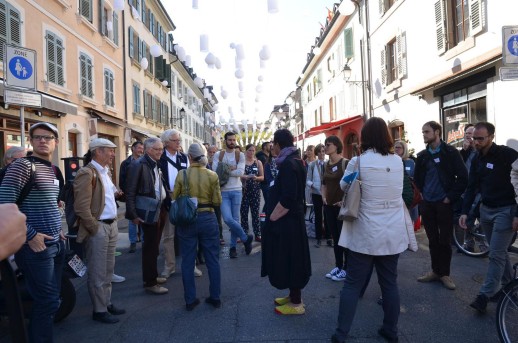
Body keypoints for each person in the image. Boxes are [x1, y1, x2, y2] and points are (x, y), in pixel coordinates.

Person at [331, 117, 410, 343]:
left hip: (365, 230)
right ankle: (391, 330)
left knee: (353, 284)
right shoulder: (397, 161)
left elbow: (344, 186)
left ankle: (341, 333)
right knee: (389, 283)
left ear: (365, 137)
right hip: (392, 231)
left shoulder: (359, 162)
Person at [0, 122, 65, 342]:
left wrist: (59, 228)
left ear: (56, 142)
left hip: (56, 244)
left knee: (52, 300)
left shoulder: (54, 169)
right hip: (35, 248)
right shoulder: (22, 166)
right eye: (37, 137)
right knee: (47, 302)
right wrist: (31, 235)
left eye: (48, 137)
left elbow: (50, 203)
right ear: (31, 141)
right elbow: (4, 205)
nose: (43, 140)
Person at [459, 122, 518, 313]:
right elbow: (471, 187)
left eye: (480, 139)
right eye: (474, 138)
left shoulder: (507, 154)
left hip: (506, 211)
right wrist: (465, 212)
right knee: (498, 251)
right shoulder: (476, 159)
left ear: (491, 136)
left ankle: (484, 295)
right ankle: (511, 287)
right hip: (486, 211)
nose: (476, 142)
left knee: (495, 254)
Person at [74, 138, 126, 324]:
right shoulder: (87, 173)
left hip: (111, 225)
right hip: (99, 227)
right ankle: (99, 310)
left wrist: (116, 193)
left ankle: (106, 302)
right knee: (97, 271)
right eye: (110, 151)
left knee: (108, 269)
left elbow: (108, 194)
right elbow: (81, 207)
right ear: (98, 152)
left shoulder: (105, 171)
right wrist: (94, 227)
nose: (113, 154)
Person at [261, 129, 311, 315]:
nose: (272, 146)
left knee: (293, 259)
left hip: (289, 222)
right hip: (291, 221)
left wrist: (273, 217)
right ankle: (293, 296)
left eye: (274, 142)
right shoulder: (293, 160)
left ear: (279, 144)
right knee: (291, 258)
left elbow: (289, 197)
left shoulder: (290, 164)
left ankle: (296, 303)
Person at [414, 121, 468, 290]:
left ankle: (444, 274)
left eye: (427, 132)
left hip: (444, 204)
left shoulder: (450, 152)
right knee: (432, 240)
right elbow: (417, 179)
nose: (424, 134)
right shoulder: (422, 155)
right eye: (423, 132)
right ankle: (435, 271)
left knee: (444, 240)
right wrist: (422, 194)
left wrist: (449, 197)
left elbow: (463, 177)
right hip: (427, 204)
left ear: (437, 132)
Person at [172, 143, 222, 311]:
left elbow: (175, 197)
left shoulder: (182, 174)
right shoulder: (212, 175)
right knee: (212, 260)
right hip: (208, 217)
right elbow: (217, 202)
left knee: (187, 261)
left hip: (188, 219)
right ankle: (215, 297)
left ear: (190, 157)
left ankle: (190, 300)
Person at [126, 137, 169, 295]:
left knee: (154, 246)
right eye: (157, 149)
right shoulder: (138, 165)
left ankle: (153, 276)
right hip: (148, 211)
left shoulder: (154, 163)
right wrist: (133, 215)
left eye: (161, 149)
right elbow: (130, 191)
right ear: (148, 150)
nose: (160, 152)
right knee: (150, 247)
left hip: (159, 208)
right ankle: (150, 282)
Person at [158, 129, 198, 279]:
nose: (179, 143)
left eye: (179, 140)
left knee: (188, 235)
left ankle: (191, 266)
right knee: (168, 236)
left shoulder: (184, 157)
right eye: (176, 141)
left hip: (183, 199)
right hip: (167, 200)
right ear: (167, 142)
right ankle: (169, 266)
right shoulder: (160, 158)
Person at [211, 132, 253, 259]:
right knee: (228, 219)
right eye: (229, 140)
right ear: (225, 141)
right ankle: (245, 238)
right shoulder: (219, 154)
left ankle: (233, 248)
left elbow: (240, 172)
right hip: (223, 190)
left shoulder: (239, 155)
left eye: (234, 140)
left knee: (235, 219)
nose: (232, 142)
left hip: (236, 190)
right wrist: (231, 168)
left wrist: (224, 168)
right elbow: (215, 172)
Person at [322, 135, 349, 281]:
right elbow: (324, 184)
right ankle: (338, 266)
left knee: (344, 238)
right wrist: (323, 196)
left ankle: (347, 268)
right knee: (335, 237)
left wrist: (344, 200)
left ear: (337, 146)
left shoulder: (346, 163)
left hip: (342, 206)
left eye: (328, 144)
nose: (325, 147)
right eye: (325, 145)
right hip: (329, 206)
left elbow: (352, 185)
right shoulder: (325, 165)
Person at [119, 141, 144, 253]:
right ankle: (133, 242)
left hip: (142, 195)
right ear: (133, 148)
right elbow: (122, 180)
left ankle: (144, 241)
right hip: (130, 195)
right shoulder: (125, 163)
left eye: (142, 148)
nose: (141, 150)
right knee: (132, 219)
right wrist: (127, 192)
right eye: (139, 148)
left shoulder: (144, 162)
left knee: (143, 218)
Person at [306, 144, 330, 247]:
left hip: (327, 194)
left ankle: (329, 238)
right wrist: (315, 186)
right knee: (318, 216)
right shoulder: (312, 165)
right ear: (317, 153)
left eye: (323, 151)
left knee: (328, 215)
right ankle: (318, 238)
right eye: (320, 152)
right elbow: (307, 180)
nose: (322, 153)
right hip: (316, 194)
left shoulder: (328, 164)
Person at [240, 144, 264, 241]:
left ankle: (257, 234)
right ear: (246, 151)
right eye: (249, 150)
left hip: (255, 191)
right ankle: (244, 234)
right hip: (244, 191)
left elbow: (262, 177)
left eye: (253, 150)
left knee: (255, 213)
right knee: (244, 213)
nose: (251, 152)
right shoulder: (242, 162)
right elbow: (239, 175)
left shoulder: (258, 162)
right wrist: (244, 177)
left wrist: (256, 178)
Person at [394, 140, 418, 223]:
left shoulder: (410, 162)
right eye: (395, 147)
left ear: (404, 149)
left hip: (409, 192)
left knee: (410, 220)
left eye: (399, 147)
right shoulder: (392, 161)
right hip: (397, 193)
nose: (396, 149)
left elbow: (415, 176)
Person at [207, 145, 225, 245]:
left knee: (218, 216)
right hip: (206, 194)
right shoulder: (204, 163)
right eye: (210, 152)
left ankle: (220, 236)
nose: (212, 154)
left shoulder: (220, 164)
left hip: (217, 193)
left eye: (214, 152)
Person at [256, 141, 272, 212]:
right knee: (269, 201)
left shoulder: (266, 156)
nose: (271, 147)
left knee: (269, 201)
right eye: (269, 146)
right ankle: (263, 217)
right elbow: (264, 171)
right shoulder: (262, 157)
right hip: (265, 182)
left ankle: (264, 216)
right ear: (265, 147)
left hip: (266, 182)